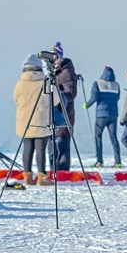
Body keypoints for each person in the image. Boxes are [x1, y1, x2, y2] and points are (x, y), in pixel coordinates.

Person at [14, 54, 53, 186]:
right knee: (40, 149)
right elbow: (56, 100)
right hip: (41, 120)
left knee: (27, 148)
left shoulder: (20, 83)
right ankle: (42, 177)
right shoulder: (45, 83)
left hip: (24, 120)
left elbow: (16, 99)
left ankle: (27, 176)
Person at [46, 43, 78, 173]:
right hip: (52, 115)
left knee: (62, 144)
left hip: (64, 114)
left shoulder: (67, 72)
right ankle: (53, 169)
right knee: (52, 144)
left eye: (55, 57)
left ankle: (63, 171)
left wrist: (57, 95)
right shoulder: (53, 73)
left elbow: (71, 93)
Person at [85, 66, 122, 167]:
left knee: (98, 137)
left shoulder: (97, 83)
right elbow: (117, 98)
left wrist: (86, 105)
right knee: (114, 137)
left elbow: (94, 98)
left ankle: (99, 161)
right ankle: (118, 161)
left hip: (101, 115)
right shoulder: (116, 85)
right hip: (113, 115)